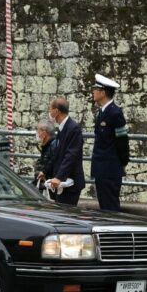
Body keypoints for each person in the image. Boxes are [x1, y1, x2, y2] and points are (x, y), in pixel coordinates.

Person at [90, 74, 130, 212]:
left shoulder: (114, 113)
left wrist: (122, 162)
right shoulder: (102, 112)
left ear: (103, 92)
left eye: (95, 89)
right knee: (104, 207)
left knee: (110, 208)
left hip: (110, 168)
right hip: (102, 169)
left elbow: (122, 141)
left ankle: (117, 233)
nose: (93, 92)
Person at [47, 98, 85, 206]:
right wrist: (45, 172)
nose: (49, 112)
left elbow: (71, 155)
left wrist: (59, 177)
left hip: (70, 183)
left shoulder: (73, 129)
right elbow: (57, 154)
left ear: (57, 111)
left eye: (51, 109)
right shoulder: (62, 128)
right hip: (62, 183)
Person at [33, 120, 57, 190]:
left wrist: (44, 172)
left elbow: (52, 163)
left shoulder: (53, 145)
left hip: (50, 182)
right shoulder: (47, 145)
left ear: (44, 133)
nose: (37, 133)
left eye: (38, 131)